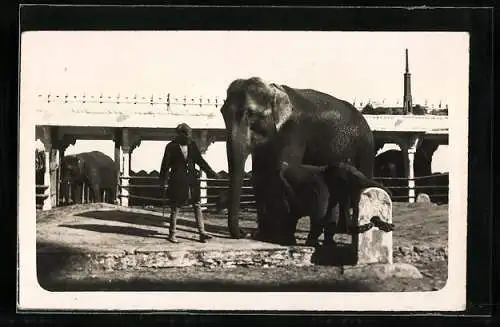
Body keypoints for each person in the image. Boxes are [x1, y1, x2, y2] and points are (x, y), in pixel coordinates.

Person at [159, 123, 220, 243]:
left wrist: (211, 172)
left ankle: (202, 233)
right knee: (175, 207)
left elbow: (200, 161)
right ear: (180, 134)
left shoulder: (192, 145)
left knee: (197, 205)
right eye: (187, 134)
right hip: (177, 181)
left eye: (190, 134)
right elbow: (165, 165)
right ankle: (172, 234)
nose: (189, 137)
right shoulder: (171, 147)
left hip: (192, 181)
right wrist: (163, 181)